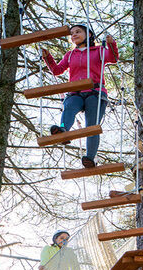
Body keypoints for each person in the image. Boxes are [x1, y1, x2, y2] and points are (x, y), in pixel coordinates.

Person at [41, 24, 119, 168]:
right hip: (75, 92)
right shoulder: (70, 55)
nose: (74, 35)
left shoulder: (99, 51)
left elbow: (113, 58)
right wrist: (48, 58)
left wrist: (111, 44)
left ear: (89, 35)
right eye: (72, 33)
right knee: (69, 107)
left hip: (94, 92)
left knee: (92, 126)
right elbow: (57, 70)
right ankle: (63, 130)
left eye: (78, 32)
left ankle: (90, 158)